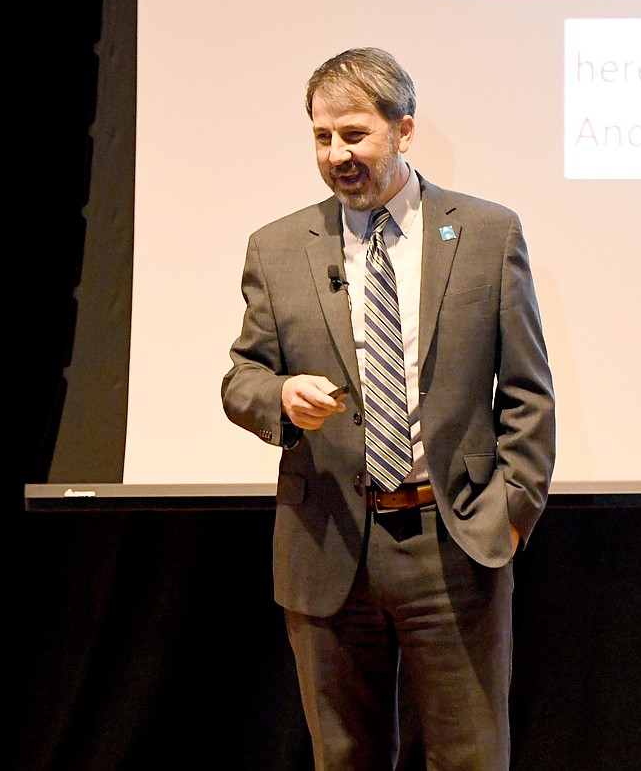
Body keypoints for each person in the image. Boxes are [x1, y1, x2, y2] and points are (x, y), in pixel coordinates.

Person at [222, 47, 555, 770]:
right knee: (345, 758)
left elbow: (527, 390)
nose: (336, 153)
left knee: (469, 757)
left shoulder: (487, 234)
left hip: (453, 542)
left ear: (403, 131)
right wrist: (276, 394)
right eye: (321, 136)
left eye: (354, 134)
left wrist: (511, 514)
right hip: (329, 543)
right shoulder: (277, 249)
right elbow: (242, 377)